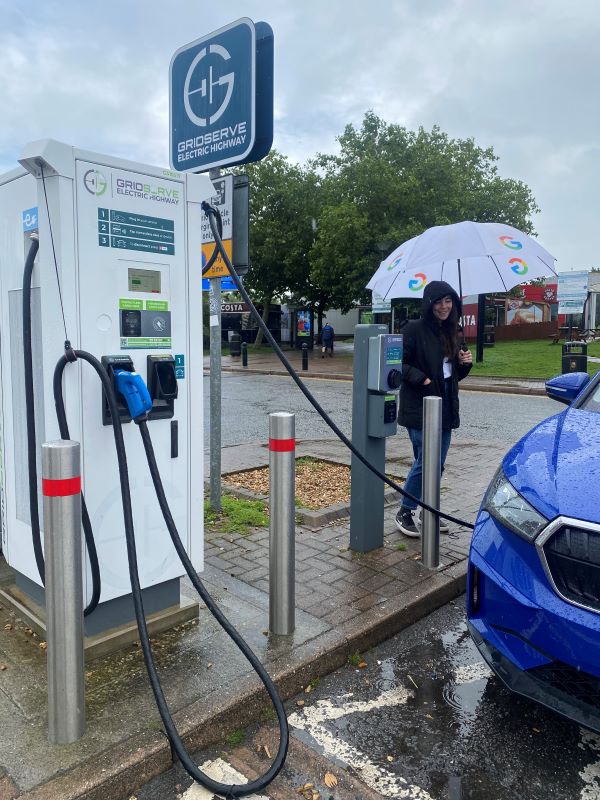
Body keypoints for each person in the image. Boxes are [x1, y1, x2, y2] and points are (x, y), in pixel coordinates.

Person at [395, 281, 473, 537]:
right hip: (420, 406)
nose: (444, 306)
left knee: (436, 465)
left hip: (446, 406)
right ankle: (405, 511)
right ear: (429, 304)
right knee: (426, 462)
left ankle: (428, 510)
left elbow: (452, 375)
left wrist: (464, 364)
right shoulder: (413, 329)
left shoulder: (454, 331)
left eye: (448, 301)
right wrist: (422, 379)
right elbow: (398, 364)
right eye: (438, 301)